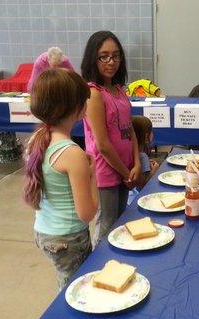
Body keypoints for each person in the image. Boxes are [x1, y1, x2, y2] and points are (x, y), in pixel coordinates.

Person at [23, 68, 98, 290]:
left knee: (66, 279)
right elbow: (87, 213)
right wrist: (92, 174)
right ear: (75, 107)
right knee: (75, 289)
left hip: (45, 232)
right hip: (69, 238)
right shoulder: (72, 153)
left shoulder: (37, 138)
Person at [81, 31, 141, 243]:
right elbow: (103, 145)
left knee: (120, 222)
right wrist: (127, 173)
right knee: (107, 225)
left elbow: (129, 128)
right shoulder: (94, 93)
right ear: (93, 59)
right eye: (103, 56)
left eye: (116, 56)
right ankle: (101, 271)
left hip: (125, 169)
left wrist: (136, 163)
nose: (111, 62)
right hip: (106, 172)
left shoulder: (118, 89)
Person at [126, 116, 160, 205]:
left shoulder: (129, 153)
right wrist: (155, 170)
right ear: (146, 136)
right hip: (139, 198)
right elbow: (143, 184)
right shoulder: (142, 156)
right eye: (151, 131)